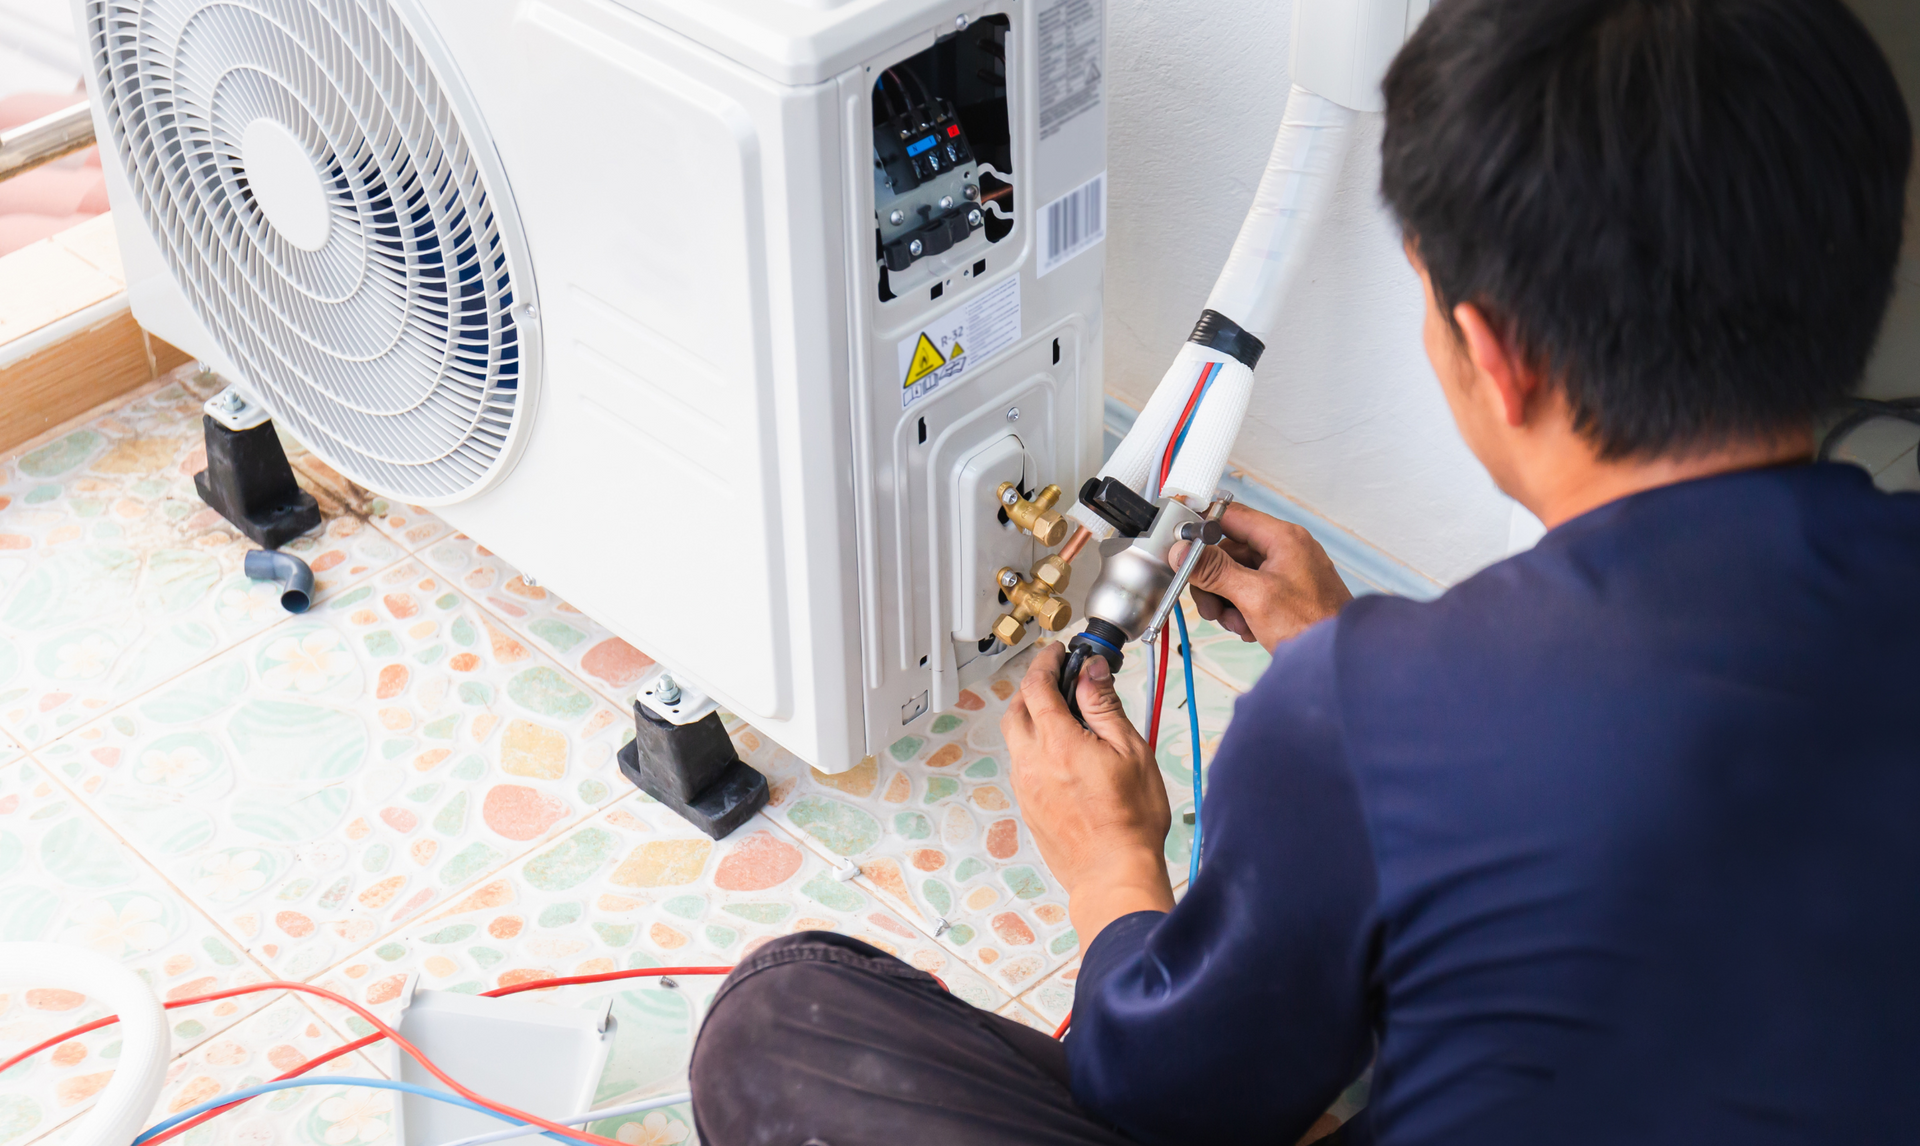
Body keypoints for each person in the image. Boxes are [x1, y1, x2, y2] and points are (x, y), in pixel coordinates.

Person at [688, 0, 1920, 1142]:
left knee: (785, 1018)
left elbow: (1174, 1100)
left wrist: (1109, 862)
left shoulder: (1355, 720)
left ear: (1491, 355)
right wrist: (1370, 662)